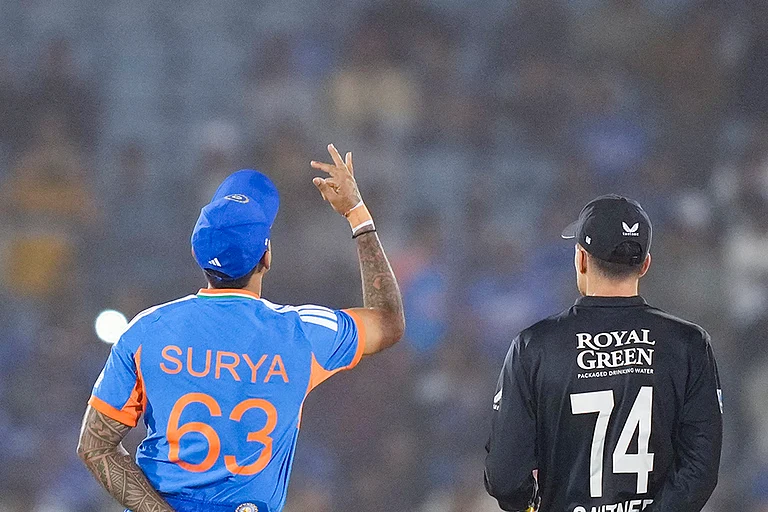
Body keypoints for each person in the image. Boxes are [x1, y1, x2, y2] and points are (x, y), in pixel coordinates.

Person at [76, 144, 405, 512]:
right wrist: (356, 214)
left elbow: (95, 447)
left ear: (196, 254)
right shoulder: (300, 333)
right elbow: (389, 321)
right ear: (266, 257)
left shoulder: (147, 330)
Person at [484, 195, 722, 512]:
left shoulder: (533, 347)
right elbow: (700, 468)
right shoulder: (689, 344)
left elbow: (505, 477)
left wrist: (531, 505)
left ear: (581, 259)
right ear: (645, 264)